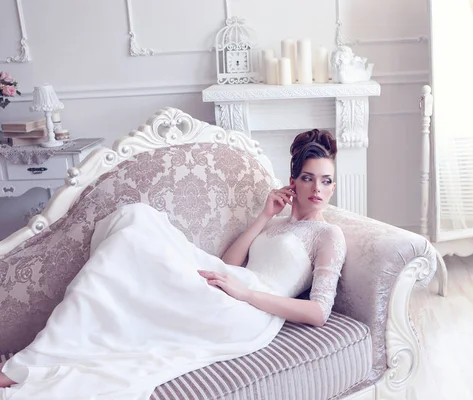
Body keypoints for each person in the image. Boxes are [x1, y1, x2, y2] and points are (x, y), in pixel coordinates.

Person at [0, 129, 347, 400]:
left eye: (326, 180)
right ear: (294, 181)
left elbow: (318, 313)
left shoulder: (328, 234)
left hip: (252, 311)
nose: (317, 188)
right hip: (230, 284)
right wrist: (263, 216)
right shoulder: (275, 224)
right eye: (308, 177)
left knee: (134, 242)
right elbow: (227, 264)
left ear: (333, 187)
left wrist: (245, 295)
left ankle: (28, 365)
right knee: (137, 219)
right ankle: (47, 352)